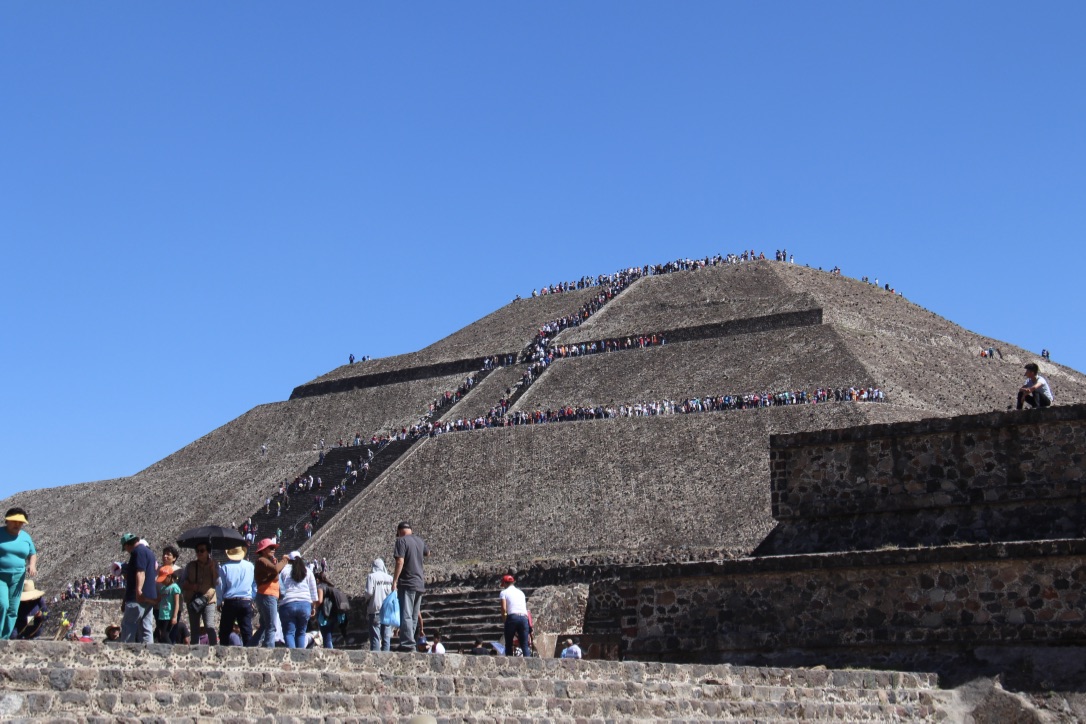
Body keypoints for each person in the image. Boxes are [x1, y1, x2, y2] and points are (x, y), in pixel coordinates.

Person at [0, 507, 38, 639]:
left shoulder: (26, 537)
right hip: (1, 576)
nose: (17, 524)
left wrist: (32, 565)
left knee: (13, 609)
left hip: (18, 577)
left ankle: (4, 638)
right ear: (7, 521)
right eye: (14, 521)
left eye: (20, 522)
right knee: (2, 604)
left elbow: (32, 554)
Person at [391, 521, 429, 652]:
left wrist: (395, 580)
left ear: (400, 532)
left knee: (406, 614)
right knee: (413, 615)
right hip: (419, 583)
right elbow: (427, 553)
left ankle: (407, 644)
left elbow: (399, 561)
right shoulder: (419, 540)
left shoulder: (401, 541)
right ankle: (411, 642)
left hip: (407, 582)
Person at [120, 533, 158, 643]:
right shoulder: (149, 552)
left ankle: (126, 652)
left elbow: (140, 572)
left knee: (129, 624)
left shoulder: (137, 552)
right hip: (150, 595)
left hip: (137, 597)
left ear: (127, 545)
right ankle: (148, 653)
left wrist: (138, 590)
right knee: (146, 627)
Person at [278, 551, 318, 649]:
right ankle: (301, 658)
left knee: (289, 633)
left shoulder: (284, 571)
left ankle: (291, 658)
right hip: (305, 604)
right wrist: (313, 607)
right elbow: (313, 591)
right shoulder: (307, 571)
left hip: (288, 604)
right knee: (301, 632)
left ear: (289, 560)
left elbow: (280, 587)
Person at [216, 545, 255, 645]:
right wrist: (252, 597)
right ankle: (249, 651)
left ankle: (223, 652)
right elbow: (255, 584)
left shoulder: (225, 567)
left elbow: (220, 586)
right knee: (246, 629)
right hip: (246, 600)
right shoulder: (250, 566)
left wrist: (219, 601)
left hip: (230, 601)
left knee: (225, 630)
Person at [181, 544, 219, 646]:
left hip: (208, 599)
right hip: (193, 600)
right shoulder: (190, 566)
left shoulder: (214, 565)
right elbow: (182, 582)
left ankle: (213, 650)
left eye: (202, 550)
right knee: (194, 628)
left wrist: (213, 569)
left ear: (208, 552)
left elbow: (217, 583)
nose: (199, 553)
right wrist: (192, 587)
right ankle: (194, 651)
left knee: (209, 626)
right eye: (197, 551)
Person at [251, 538, 286, 648]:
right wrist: (284, 560)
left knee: (265, 626)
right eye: (270, 548)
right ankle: (269, 651)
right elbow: (276, 570)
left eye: (273, 548)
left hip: (266, 595)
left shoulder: (264, 561)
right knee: (271, 627)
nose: (273, 550)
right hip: (268, 595)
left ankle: (250, 646)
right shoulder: (262, 560)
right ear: (263, 550)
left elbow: (274, 575)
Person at [499, 574, 531, 658]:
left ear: (505, 583)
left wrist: (504, 620)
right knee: (524, 645)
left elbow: (504, 608)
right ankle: (528, 663)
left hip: (512, 617)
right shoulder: (521, 592)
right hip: (524, 618)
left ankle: (510, 662)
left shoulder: (504, 592)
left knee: (508, 643)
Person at [365, 557, 393, 652]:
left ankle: (376, 659)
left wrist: (367, 600)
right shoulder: (390, 578)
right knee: (386, 637)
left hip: (375, 610)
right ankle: (386, 657)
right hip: (387, 611)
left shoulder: (371, 577)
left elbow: (368, 593)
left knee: (375, 637)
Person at [155, 564, 181, 644]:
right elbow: (158, 600)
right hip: (161, 615)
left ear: (169, 577)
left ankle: (170, 650)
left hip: (169, 616)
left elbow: (177, 603)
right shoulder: (163, 588)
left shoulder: (174, 587)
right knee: (160, 634)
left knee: (165, 635)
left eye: (163, 579)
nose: (162, 581)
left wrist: (174, 617)